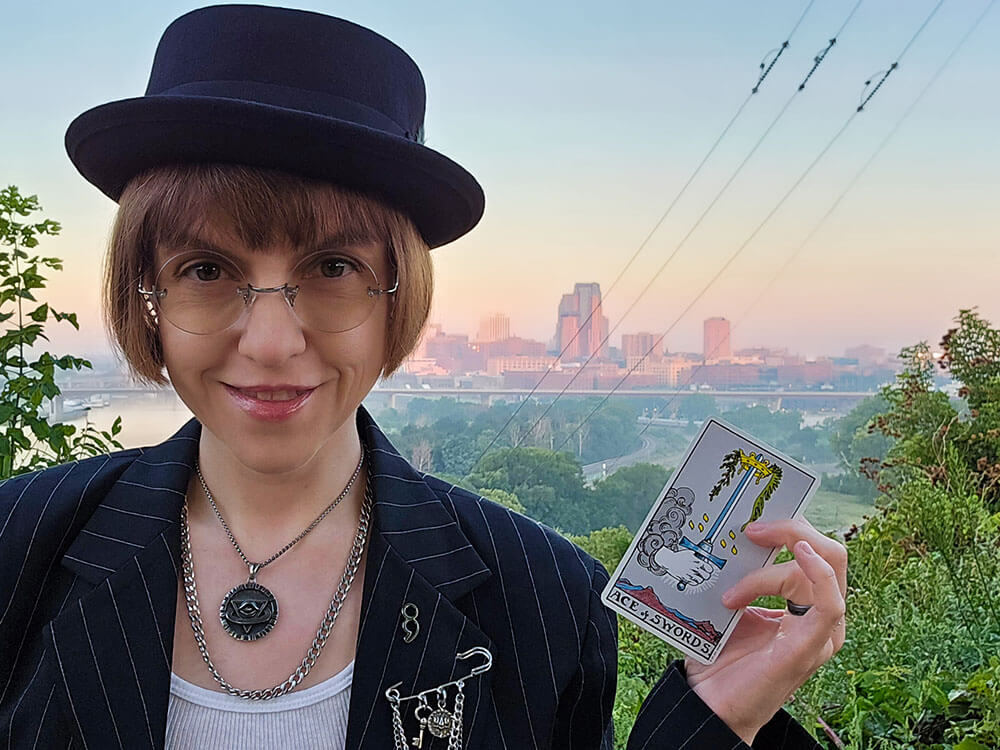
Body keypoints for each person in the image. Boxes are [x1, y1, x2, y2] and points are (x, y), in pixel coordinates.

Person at [0, 5, 847, 749]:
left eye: (332, 267)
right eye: (206, 270)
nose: (268, 341)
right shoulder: (19, 546)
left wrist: (716, 717)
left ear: (396, 297)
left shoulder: (545, 598)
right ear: (147, 294)